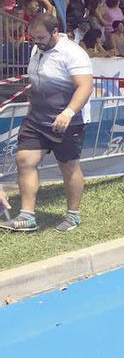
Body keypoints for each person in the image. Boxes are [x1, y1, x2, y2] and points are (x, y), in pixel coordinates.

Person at [0, 13, 93, 232]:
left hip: (68, 120)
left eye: (41, 37)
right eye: (33, 37)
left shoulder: (73, 53)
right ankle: (27, 215)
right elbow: (36, 83)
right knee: (24, 160)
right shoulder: (37, 49)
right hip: (37, 119)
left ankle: (73, 215)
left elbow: (85, 87)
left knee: (68, 167)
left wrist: (68, 113)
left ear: (54, 32)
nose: (36, 41)